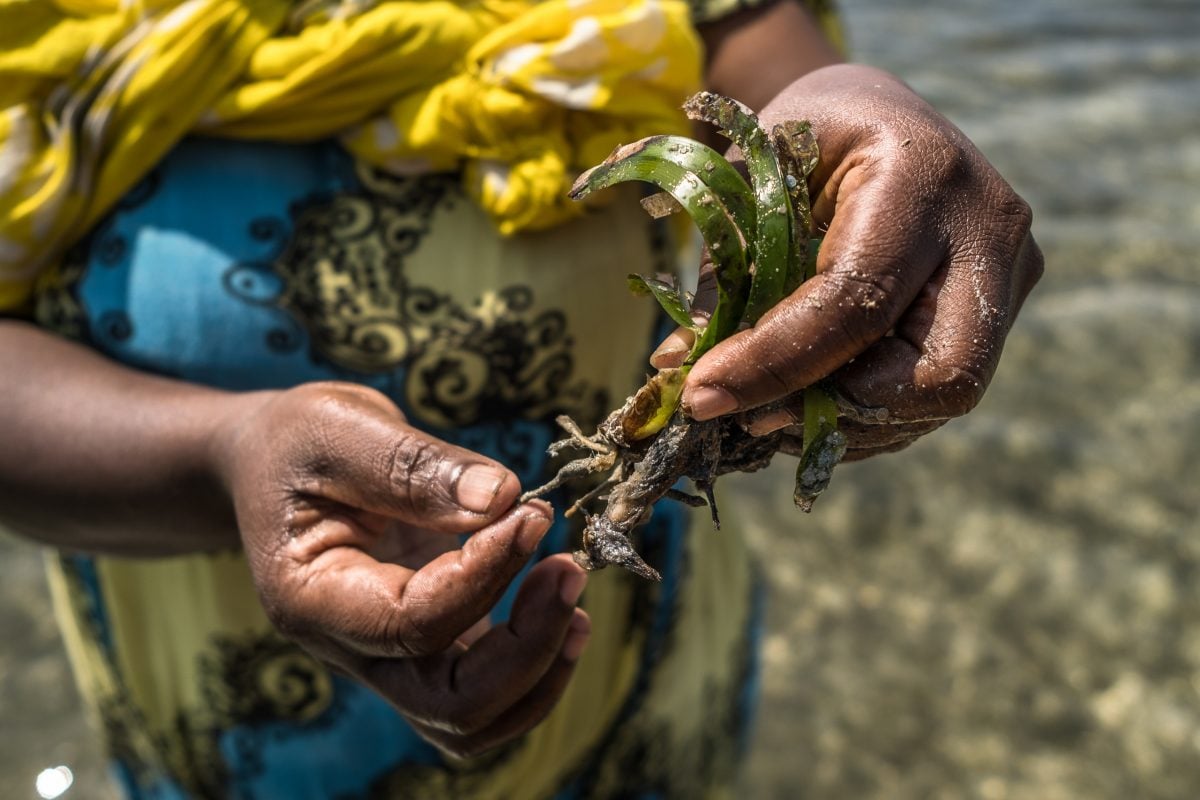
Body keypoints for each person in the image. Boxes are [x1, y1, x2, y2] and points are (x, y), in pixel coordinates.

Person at [0, 0, 1042, 796]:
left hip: (636, 682)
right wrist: (222, 455)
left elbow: (773, 62)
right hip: (227, 712)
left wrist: (864, 110)